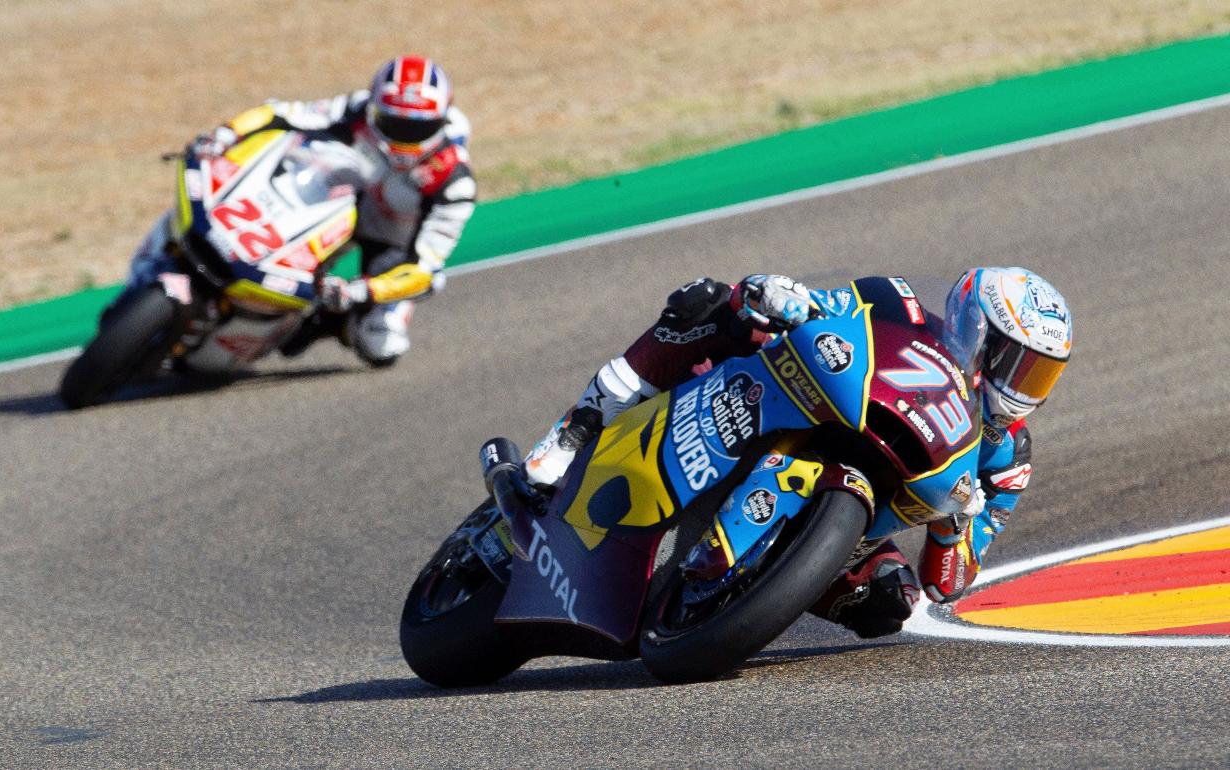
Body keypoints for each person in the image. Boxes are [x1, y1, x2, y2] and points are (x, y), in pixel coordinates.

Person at [523, 269, 1072, 639]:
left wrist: (954, 522)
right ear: (977, 328)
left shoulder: (1007, 456)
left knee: (892, 603)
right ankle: (579, 426)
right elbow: (821, 307)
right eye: (1016, 362)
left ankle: (758, 589)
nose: (1023, 385)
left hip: (860, 515)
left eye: (1040, 372)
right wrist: (787, 297)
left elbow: (948, 582)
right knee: (710, 302)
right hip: (778, 403)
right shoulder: (896, 304)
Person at [122, 56, 476, 366]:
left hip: (392, 240)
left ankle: (329, 320)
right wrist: (228, 133)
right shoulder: (358, 108)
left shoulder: (454, 184)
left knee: (381, 345)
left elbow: (424, 270)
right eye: (393, 123)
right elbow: (282, 113)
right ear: (375, 109)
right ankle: (181, 259)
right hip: (334, 199)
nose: (403, 138)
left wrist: (362, 291)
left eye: (418, 129)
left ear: (441, 122)